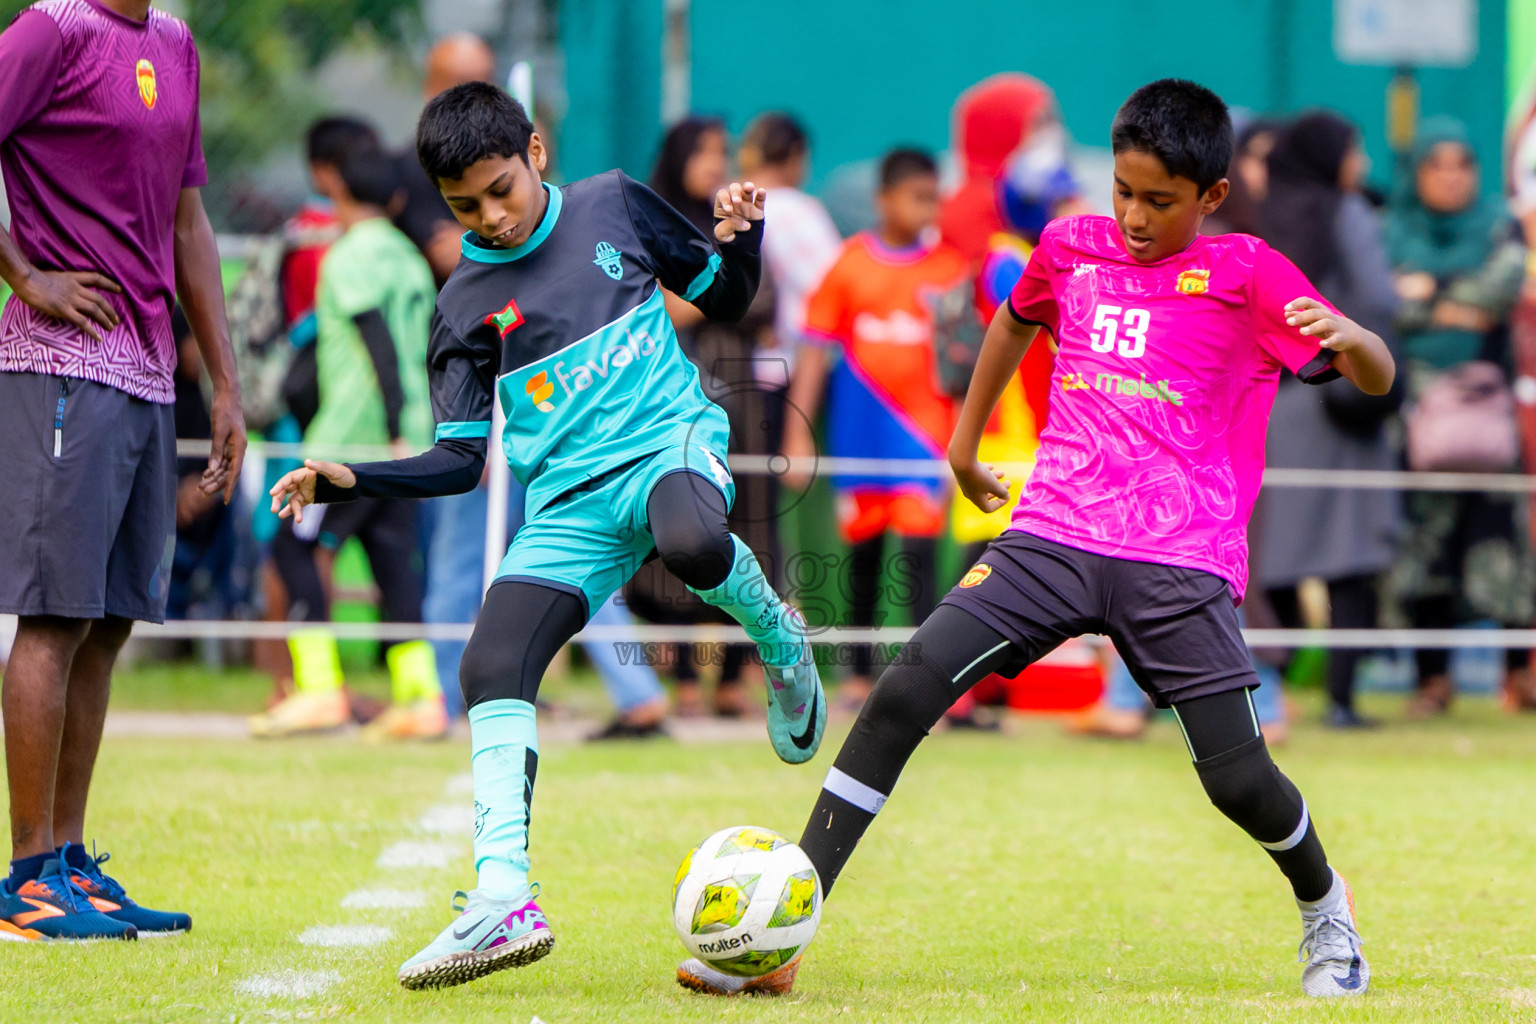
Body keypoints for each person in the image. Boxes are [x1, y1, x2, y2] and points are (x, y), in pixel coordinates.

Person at [680, 79, 1395, 999]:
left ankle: (1325, 905)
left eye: (1161, 202)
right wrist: (964, 442)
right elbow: (1014, 322)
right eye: (1124, 192)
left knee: (1236, 780)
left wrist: (1356, 337)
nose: (1134, 217)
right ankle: (783, 937)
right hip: (1051, 535)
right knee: (903, 691)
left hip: (1177, 558)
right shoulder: (1069, 247)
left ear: (1211, 197)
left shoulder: (1251, 272)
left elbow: (1374, 378)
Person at [268, 83, 826, 989]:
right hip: (566, 507)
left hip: (668, 446)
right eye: (463, 208)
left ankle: (775, 631)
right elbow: (459, 460)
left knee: (689, 539)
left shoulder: (613, 203)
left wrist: (742, 235)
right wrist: (351, 475)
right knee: (490, 664)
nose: (489, 216)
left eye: (500, 189)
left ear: (535, 150)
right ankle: (502, 897)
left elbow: (724, 300)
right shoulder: (463, 305)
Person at [0, 0, 246, 940]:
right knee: (56, 617)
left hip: (145, 371)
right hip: (58, 364)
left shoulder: (175, 42)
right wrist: (24, 275)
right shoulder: (48, 30)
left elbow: (190, 219)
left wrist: (225, 382)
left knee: (106, 625)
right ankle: (24, 877)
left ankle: (68, 863)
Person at [252, 142, 445, 741]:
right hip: (409, 438)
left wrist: (385, 424)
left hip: (354, 442)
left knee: (293, 547)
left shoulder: (350, 256)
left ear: (336, 190)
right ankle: (420, 698)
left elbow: (377, 342)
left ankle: (318, 689)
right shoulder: (411, 261)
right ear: (394, 199)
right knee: (394, 563)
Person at [785, 148, 970, 709]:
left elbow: (962, 366)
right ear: (883, 200)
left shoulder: (949, 270)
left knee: (919, 562)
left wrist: (964, 440)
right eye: (916, 197)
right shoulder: (849, 265)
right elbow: (814, 353)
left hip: (923, 442)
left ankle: (927, 681)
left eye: (933, 198)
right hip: (859, 441)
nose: (927, 209)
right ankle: (859, 676)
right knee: (863, 562)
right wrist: (797, 434)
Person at [1254, 113, 1402, 729]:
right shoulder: (1349, 214)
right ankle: (1340, 700)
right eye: (1355, 149)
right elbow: (1378, 299)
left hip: (1278, 405)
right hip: (1340, 402)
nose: (1361, 163)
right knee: (1351, 555)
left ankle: (1271, 687)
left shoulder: (1264, 218)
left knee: (1273, 555)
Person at [1385, 117, 1536, 715]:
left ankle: (1519, 678)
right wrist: (1445, 303)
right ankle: (1432, 681)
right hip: (1418, 418)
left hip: (1486, 409)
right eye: (1435, 165)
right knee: (1425, 548)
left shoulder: (1498, 228)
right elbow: (1379, 304)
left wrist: (1427, 293)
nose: (1449, 178)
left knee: (1502, 541)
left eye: (1462, 165)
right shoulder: (1390, 228)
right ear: (1416, 172)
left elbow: (1499, 290)